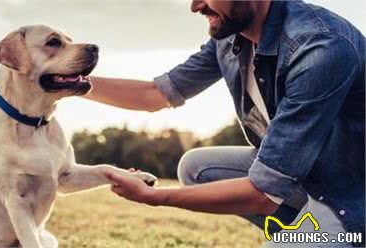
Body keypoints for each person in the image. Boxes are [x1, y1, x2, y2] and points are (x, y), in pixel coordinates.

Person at [84, 0, 365, 247]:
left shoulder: (319, 46)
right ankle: (304, 233)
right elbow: (155, 94)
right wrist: (70, 84)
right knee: (197, 168)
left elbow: (263, 194)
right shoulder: (231, 37)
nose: (195, 6)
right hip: (310, 175)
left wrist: (155, 197)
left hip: (350, 197)